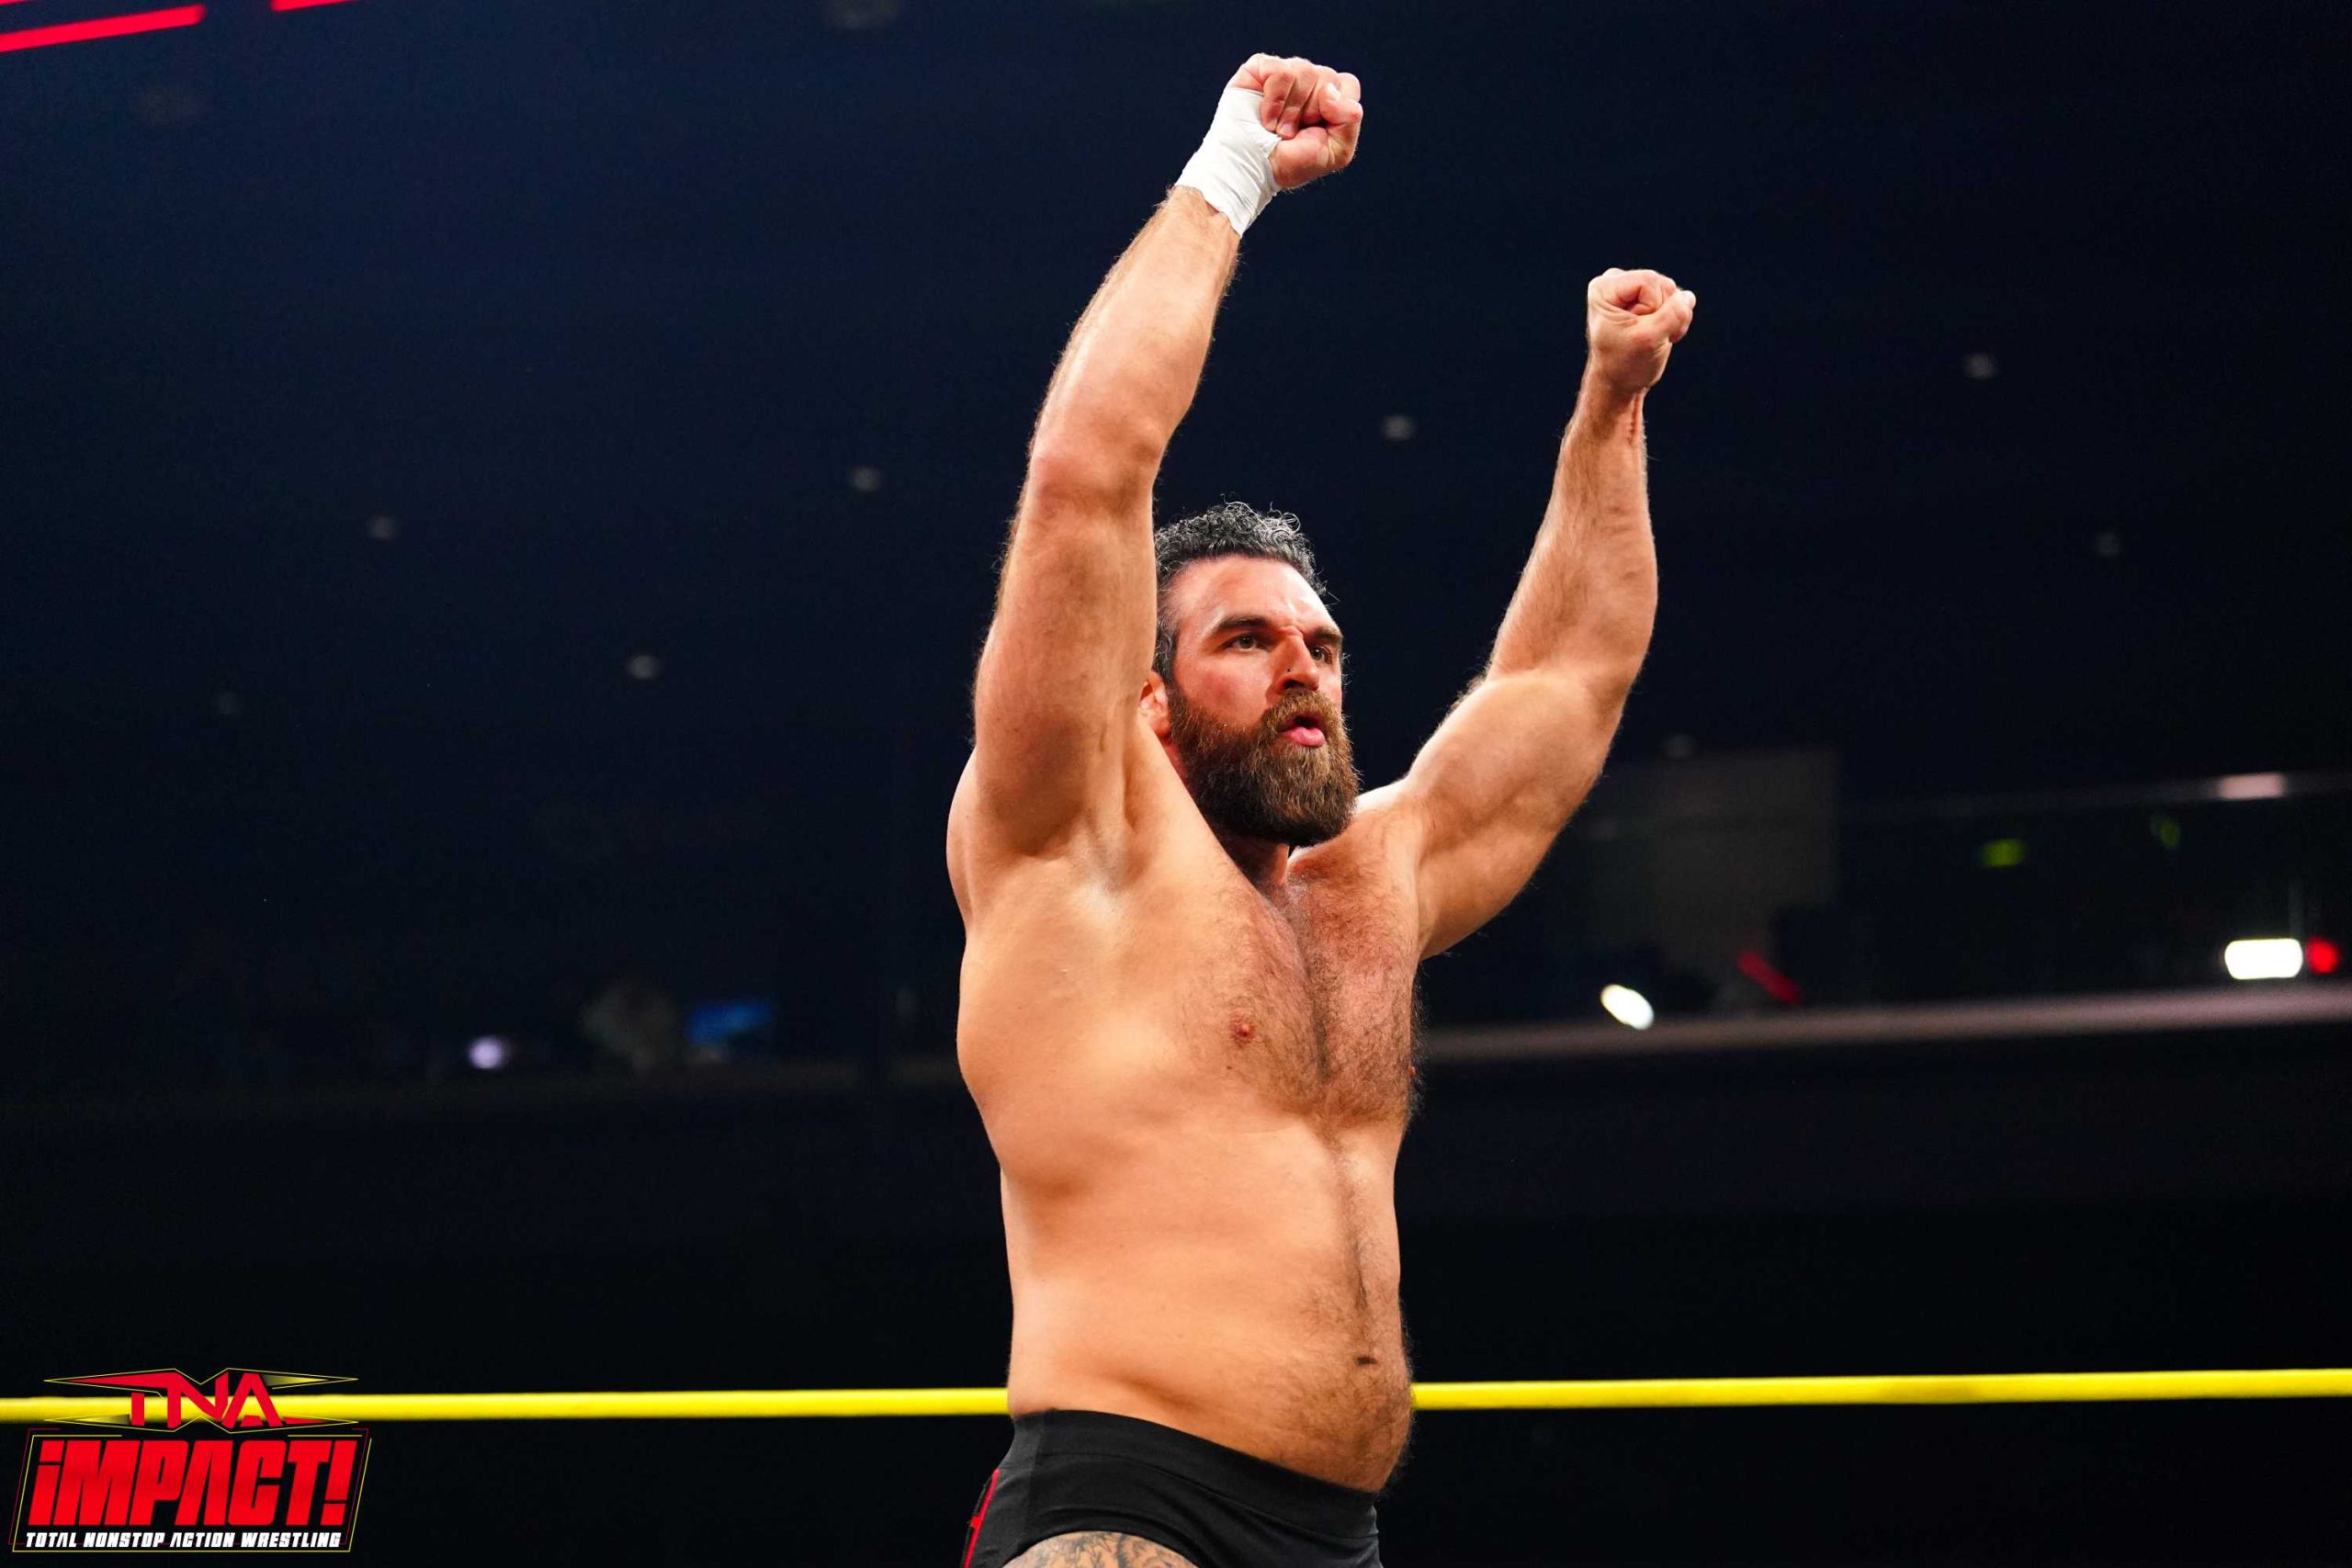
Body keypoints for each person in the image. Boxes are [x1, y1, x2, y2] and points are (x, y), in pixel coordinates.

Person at [946, 50, 1696, 1568]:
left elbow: (1567, 680)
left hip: (1338, 1533)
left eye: (1324, 644)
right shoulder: (1074, 845)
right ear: (1146, 700)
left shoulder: (1372, 886)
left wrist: (1612, 408)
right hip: (1125, 1510)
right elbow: (1090, 472)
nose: (1305, 666)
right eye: (1247, 639)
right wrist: (1232, 171)